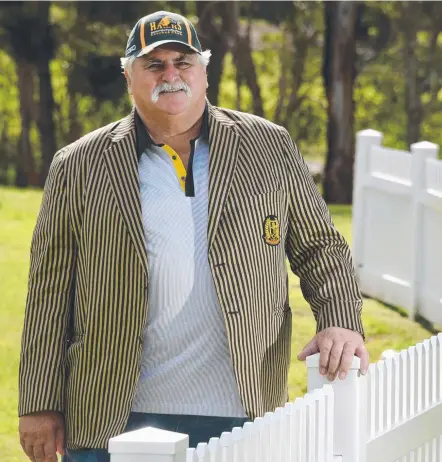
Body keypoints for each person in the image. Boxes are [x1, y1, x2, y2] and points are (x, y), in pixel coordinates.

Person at [18, 10, 369, 462]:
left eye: (183, 62)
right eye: (153, 64)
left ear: (204, 71)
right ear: (129, 76)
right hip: (110, 416)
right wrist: (40, 403)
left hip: (242, 412)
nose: (170, 75)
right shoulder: (78, 165)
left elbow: (321, 248)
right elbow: (49, 294)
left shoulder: (268, 146)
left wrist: (339, 317)